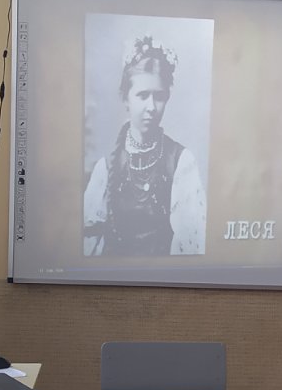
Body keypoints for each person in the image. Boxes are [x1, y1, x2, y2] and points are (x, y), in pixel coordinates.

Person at [83, 34, 206, 256]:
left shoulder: (181, 163)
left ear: (167, 98)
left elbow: (190, 247)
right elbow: (89, 244)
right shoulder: (107, 166)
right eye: (142, 95)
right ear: (125, 98)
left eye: (158, 96)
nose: (151, 107)